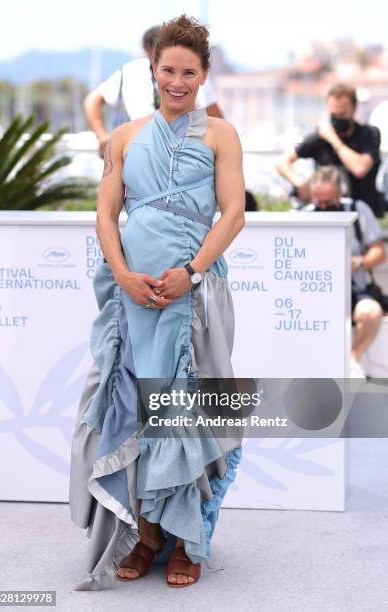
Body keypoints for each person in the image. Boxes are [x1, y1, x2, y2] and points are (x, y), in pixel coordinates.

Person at [69, 14, 245, 590]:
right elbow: (105, 211)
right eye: (168, 69)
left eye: (188, 72)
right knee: (134, 414)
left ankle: (186, 545)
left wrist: (190, 274)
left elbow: (234, 215)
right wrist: (122, 273)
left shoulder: (221, 134)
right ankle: (144, 537)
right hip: (131, 298)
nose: (177, 81)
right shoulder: (124, 135)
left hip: (189, 296)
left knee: (184, 414)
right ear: (153, 68)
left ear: (204, 74)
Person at [84, 25, 223, 158]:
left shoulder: (129, 70)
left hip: (143, 148)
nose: (176, 82)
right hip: (150, 150)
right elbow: (214, 118)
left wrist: (103, 136)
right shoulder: (130, 71)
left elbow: (92, 101)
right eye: (167, 70)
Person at [304, 166, 386, 377]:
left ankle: (351, 361)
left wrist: (356, 263)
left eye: (328, 201)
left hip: (356, 288)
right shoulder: (305, 216)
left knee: (371, 312)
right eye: (318, 201)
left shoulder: (358, 210)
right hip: (315, 291)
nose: (323, 206)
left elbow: (379, 253)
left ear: (341, 193)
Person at [276, 83, 384, 217]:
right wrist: (299, 182)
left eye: (342, 113)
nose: (338, 118)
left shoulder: (368, 134)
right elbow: (282, 162)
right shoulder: (319, 139)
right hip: (327, 214)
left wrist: (333, 139)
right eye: (334, 114)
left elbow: (360, 169)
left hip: (362, 214)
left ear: (354, 109)